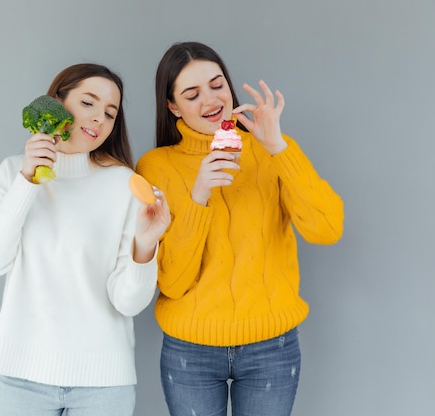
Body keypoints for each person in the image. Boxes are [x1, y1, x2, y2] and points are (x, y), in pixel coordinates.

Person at [136, 41, 344, 416]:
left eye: (217, 85)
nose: (211, 100)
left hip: (271, 347)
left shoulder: (270, 151)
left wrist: (278, 146)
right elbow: (173, 282)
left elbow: (326, 229)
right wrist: (199, 195)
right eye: (191, 93)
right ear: (172, 106)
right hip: (190, 350)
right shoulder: (156, 166)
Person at [0, 63, 170, 416]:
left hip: (104, 385)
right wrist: (27, 181)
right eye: (88, 103)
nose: (99, 119)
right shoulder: (12, 172)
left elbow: (128, 303)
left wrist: (146, 246)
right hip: (23, 376)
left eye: (110, 113)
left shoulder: (124, 185)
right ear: (57, 103)